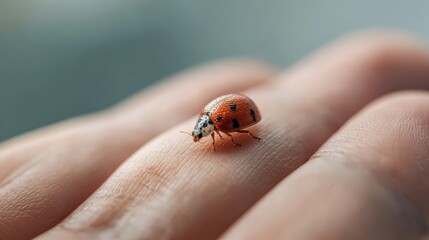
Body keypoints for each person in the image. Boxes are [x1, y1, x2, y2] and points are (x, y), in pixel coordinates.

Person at [1, 31, 429, 240]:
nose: (206, 133)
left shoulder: (224, 123)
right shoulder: (213, 119)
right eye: (206, 129)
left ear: (210, 125)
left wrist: (239, 135)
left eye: (205, 129)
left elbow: (239, 123)